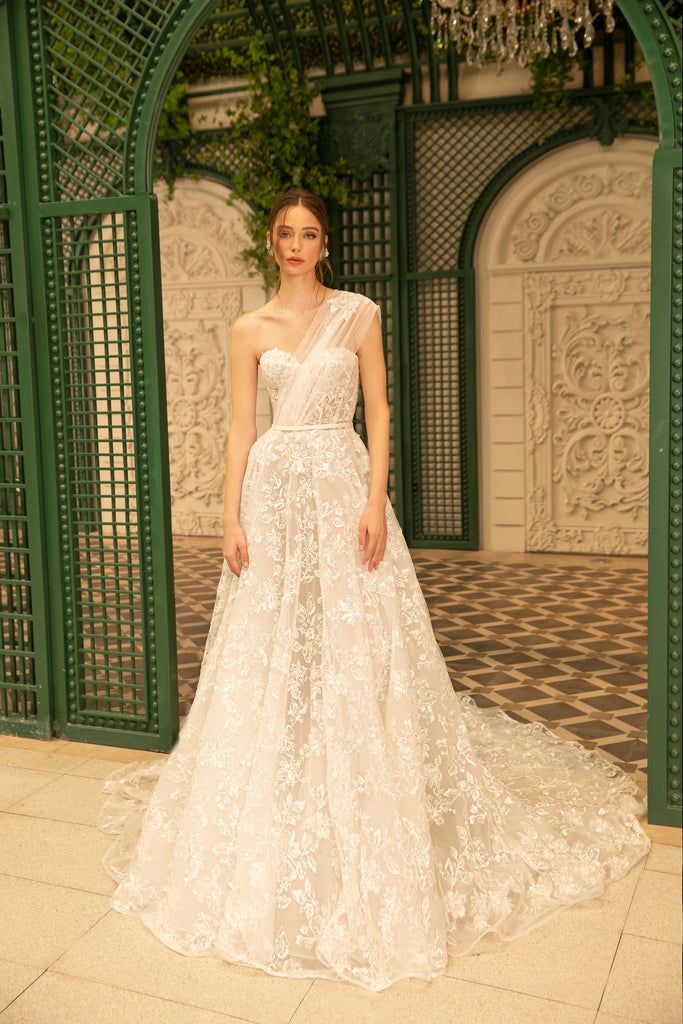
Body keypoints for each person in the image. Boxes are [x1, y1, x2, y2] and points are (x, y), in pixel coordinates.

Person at [99, 187, 651, 993]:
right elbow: (240, 428)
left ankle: (360, 762)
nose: (295, 243)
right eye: (284, 232)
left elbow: (382, 409)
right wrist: (229, 520)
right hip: (274, 491)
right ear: (271, 241)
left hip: (341, 483)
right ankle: (281, 768)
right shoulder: (248, 329)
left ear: (326, 243)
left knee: (359, 634)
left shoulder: (356, 313)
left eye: (309, 232)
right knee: (272, 637)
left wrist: (373, 499)